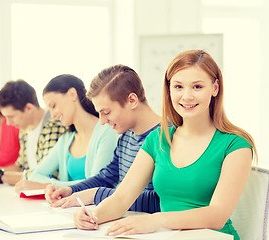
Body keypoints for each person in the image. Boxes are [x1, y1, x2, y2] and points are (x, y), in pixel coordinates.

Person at [74, 50, 258, 240]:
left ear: (215, 88)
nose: (186, 96)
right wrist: (94, 215)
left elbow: (217, 215)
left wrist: (156, 221)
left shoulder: (236, 144)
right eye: (178, 86)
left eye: (197, 86)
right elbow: (121, 198)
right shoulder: (157, 140)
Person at [45, 65, 162, 214]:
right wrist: (71, 190)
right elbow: (106, 177)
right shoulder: (127, 136)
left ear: (132, 100)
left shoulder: (169, 137)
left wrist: (95, 195)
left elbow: (160, 200)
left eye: (106, 112)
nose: (102, 121)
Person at [15, 74, 119, 193]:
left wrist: (51, 187)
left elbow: (97, 183)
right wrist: (57, 187)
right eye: (49, 110)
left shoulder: (108, 132)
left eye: (53, 106)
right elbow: (35, 175)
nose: (53, 115)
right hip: (68, 208)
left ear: (72, 94)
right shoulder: (66, 140)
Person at [0, 80, 67, 186]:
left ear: (29, 108)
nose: (8, 123)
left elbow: (47, 176)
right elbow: (20, 167)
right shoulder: (25, 131)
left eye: (11, 117)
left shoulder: (53, 125)